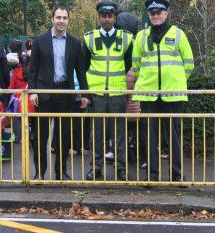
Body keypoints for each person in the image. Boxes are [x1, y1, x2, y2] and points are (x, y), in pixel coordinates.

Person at [132, 0, 194, 182]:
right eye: (152, 13)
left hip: (173, 95)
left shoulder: (178, 34)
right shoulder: (142, 36)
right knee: (149, 137)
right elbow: (136, 66)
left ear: (166, 13)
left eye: (159, 12)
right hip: (149, 95)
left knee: (174, 137)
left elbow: (188, 64)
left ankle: (177, 175)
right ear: (148, 15)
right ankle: (152, 175)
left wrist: (177, 82)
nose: (156, 15)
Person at [29, 6, 89, 180]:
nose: (61, 21)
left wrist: (84, 94)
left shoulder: (75, 43)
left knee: (64, 137)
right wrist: (33, 92)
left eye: (64, 18)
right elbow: (32, 70)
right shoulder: (40, 40)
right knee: (41, 137)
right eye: (58, 17)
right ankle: (40, 173)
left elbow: (81, 71)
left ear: (68, 20)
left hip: (65, 93)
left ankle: (61, 172)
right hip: (43, 94)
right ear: (52, 19)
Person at [83, 1, 133, 181]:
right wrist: (86, 93)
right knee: (96, 134)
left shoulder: (126, 38)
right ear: (99, 17)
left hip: (117, 94)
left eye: (110, 16)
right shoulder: (89, 38)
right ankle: (95, 168)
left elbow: (128, 64)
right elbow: (84, 66)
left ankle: (121, 169)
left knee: (119, 134)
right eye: (103, 16)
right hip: (97, 95)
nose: (106, 19)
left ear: (115, 17)